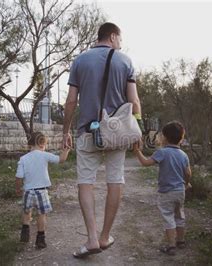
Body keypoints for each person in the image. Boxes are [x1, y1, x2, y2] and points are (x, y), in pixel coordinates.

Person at [62, 22, 143, 258]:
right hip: (117, 133)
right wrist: (137, 127)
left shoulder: (79, 61)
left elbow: (70, 101)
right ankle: (106, 235)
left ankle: (91, 238)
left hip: (88, 131)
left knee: (85, 182)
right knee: (115, 180)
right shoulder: (125, 61)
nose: (120, 43)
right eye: (120, 39)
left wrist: (66, 130)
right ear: (113, 36)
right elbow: (134, 101)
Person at [132, 121, 192, 256]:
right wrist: (186, 183)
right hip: (180, 191)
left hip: (166, 192)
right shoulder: (184, 155)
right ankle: (181, 241)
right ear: (181, 138)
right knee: (179, 215)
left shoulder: (162, 152)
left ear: (164, 137)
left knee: (168, 217)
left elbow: (146, 163)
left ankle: (171, 246)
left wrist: (137, 152)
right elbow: (188, 173)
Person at [16, 132, 70, 249]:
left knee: (26, 212)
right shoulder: (44, 155)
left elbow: (19, 176)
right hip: (41, 192)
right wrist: (66, 150)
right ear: (42, 144)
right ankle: (40, 239)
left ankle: (25, 231)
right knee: (41, 215)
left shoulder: (23, 158)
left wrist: (18, 189)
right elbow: (61, 159)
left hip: (28, 191)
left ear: (30, 145)